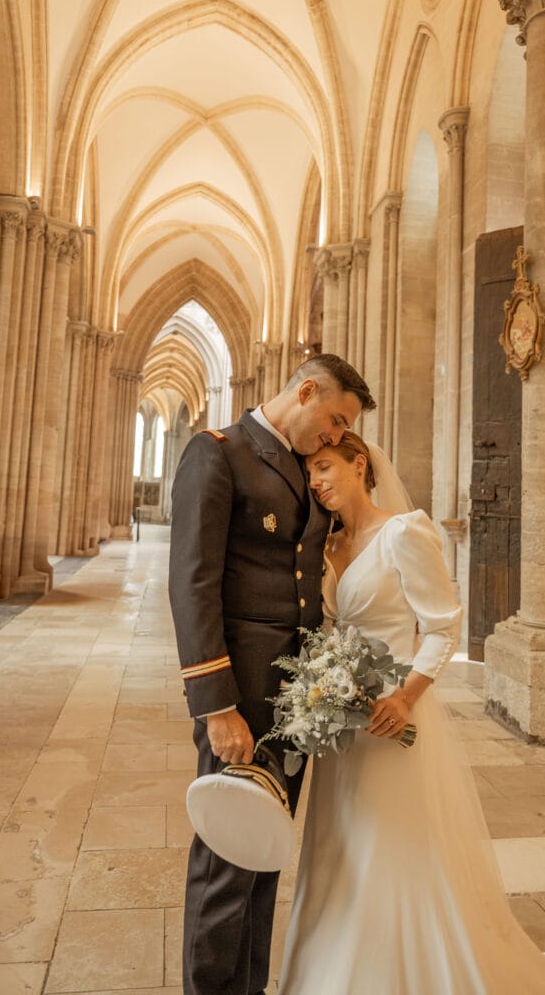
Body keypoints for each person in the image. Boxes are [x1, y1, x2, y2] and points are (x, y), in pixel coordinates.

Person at [278, 432, 545, 995]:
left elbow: (444, 625)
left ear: (359, 464)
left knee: (392, 848)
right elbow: (327, 629)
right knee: (340, 847)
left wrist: (404, 698)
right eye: (310, 474)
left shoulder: (403, 533)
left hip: (393, 716)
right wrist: (322, 686)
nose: (317, 481)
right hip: (345, 724)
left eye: (325, 467)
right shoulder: (323, 547)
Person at [169, 354, 376, 995]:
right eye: (337, 418)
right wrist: (215, 703)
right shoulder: (219, 453)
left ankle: (247, 986)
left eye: (346, 429)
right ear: (306, 390)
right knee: (226, 858)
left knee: (263, 853)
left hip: (298, 698)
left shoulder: (305, 469)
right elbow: (193, 584)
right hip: (242, 694)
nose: (339, 435)